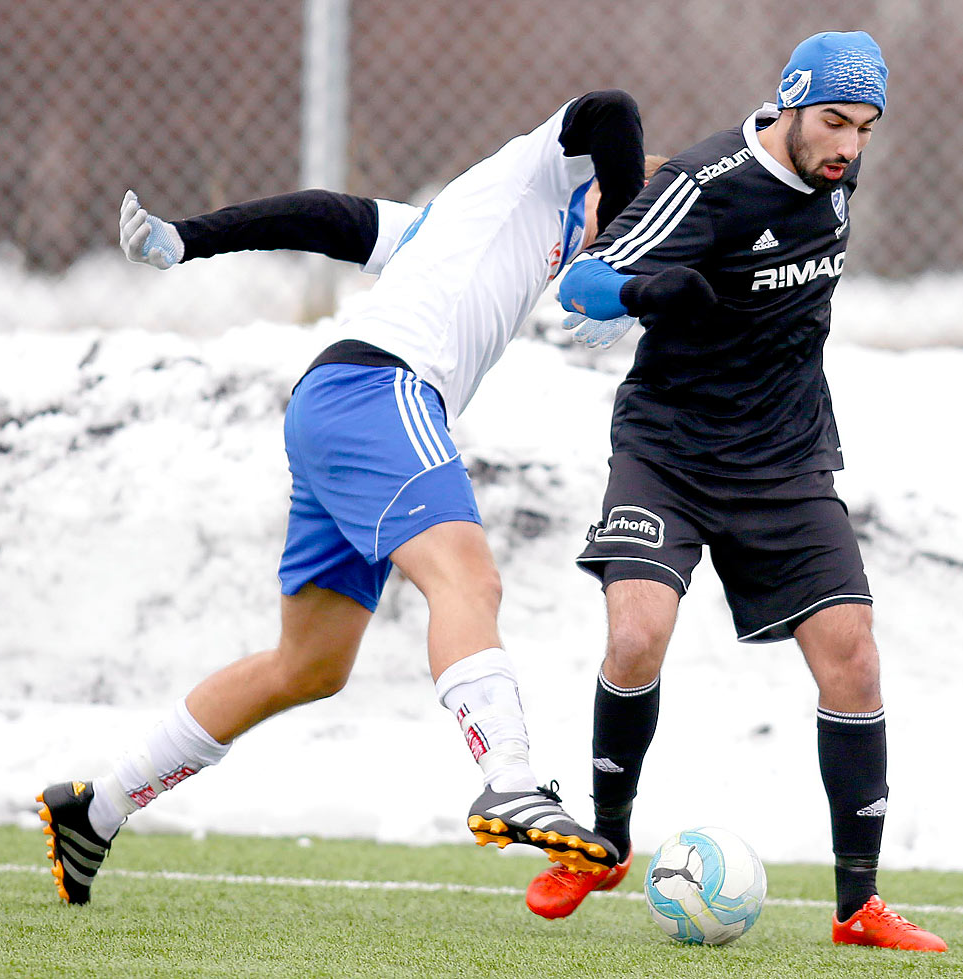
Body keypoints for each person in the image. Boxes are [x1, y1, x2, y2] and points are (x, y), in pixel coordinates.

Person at [36, 90, 652, 905]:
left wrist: (189, 238)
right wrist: (624, 236)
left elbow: (322, 216)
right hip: (379, 391)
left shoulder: (456, 225)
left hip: (334, 404)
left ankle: (96, 808)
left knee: (310, 664)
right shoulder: (547, 170)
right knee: (468, 579)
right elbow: (610, 111)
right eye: (649, 189)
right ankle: (508, 777)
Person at [521, 33, 949, 953]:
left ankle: (858, 906)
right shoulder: (712, 183)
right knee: (636, 632)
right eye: (834, 121)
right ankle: (604, 840)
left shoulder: (836, 170)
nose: (850, 146)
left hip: (786, 461)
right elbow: (583, 285)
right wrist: (644, 292)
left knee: (855, 659)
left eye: (867, 129)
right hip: (669, 450)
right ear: (788, 104)